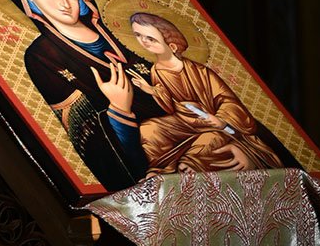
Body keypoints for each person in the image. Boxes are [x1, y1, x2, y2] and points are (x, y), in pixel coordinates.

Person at [0, 0, 160, 190]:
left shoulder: (122, 37)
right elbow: (84, 137)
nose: (64, 2)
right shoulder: (42, 56)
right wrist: (120, 109)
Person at [126, 11, 294, 174]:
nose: (143, 42)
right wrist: (152, 91)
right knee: (150, 129)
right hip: (184, 121)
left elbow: (227, 99)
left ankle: (188, 166)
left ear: (172, 45)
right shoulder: (157, 70)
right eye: (138, 36)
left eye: (150, 38)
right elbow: (169, 103)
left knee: (209, 140)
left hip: (211, 122)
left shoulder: (199, 71)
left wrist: (220, 120)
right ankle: (159, 170)